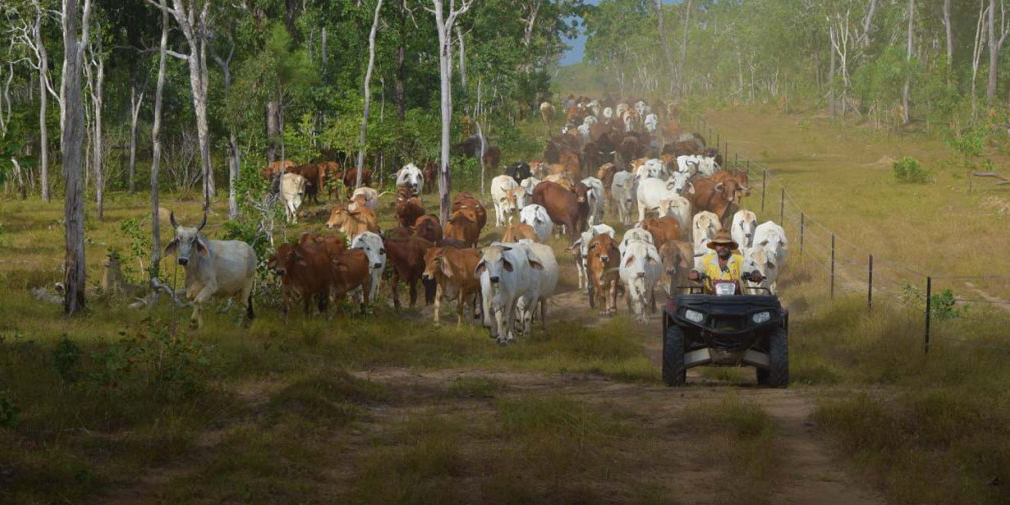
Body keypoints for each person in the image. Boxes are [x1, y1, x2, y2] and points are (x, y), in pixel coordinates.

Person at [688, 229, 764, 294]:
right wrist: (695, 273)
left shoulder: (739, 259)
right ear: (715, 247)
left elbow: (748, 267)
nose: (722, 247)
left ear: (730, 246)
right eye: (719, 245)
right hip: (710, 302)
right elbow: (699, 268)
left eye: (726, 245)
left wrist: (754, 273)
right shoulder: (706, 260)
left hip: (737, 301)